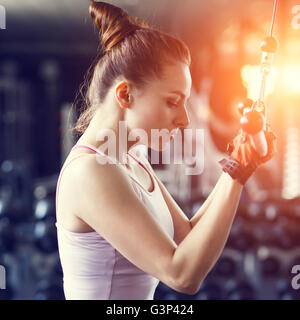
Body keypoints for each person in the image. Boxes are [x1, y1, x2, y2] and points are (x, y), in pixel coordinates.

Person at [55, 1, 276, 300]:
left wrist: (239, 167)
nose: (184, 119)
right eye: (173, 101)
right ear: (125, 94)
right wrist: (236, 174)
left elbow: (184, 236)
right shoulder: (91, 171)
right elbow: (181, 275)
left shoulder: (131, 157)